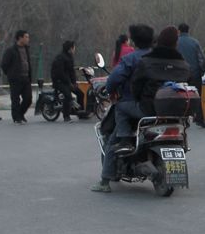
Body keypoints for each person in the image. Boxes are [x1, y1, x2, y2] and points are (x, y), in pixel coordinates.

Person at [91, 24, 154, 193]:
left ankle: (105, 181)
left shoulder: (132, 58)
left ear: (134, 41)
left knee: (113, 137)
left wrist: (110, 91)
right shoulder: (160, 57)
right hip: (162, 106)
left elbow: (114, 80)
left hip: (135, 105)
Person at [130, 26, 191, 116]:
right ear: (176, 43)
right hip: (178, 110)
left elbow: (136, 86)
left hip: (149, 109)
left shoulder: (146, 62)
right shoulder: (185, 66)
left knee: (120, 109)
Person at [177, 23, 205, 127]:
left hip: (180, 74)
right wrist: (201, 72)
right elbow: (201, 59)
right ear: (188, 31)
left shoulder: (175, 42)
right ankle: (199, 119)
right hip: (194, 74)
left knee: (180, 97)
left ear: (179, 31)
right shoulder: (195, 42)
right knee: (196, 96)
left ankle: (182, 120)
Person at [0, 30, 33, 124]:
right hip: (15, 79)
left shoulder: (27, 49)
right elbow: (4, 64)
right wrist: (11, 75)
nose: (28, 39)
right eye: (26, 37)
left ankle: (21, 114)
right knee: (15, 99)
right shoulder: (11, 50)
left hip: (26, 78)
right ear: (20, 38)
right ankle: (16, 118)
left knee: (28, 98)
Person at [50, 40, 85, 122]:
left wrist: (74, 82)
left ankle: (80, 113)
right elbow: (61, 73)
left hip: (67, 82)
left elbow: (72, 72)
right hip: (59, 82)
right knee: (68, 96)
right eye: (74, 47)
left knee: (81, 93)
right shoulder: (60, 58)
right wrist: (69, 83)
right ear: (70, 48)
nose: (74, 49)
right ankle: (66, 116)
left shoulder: (70, 58)